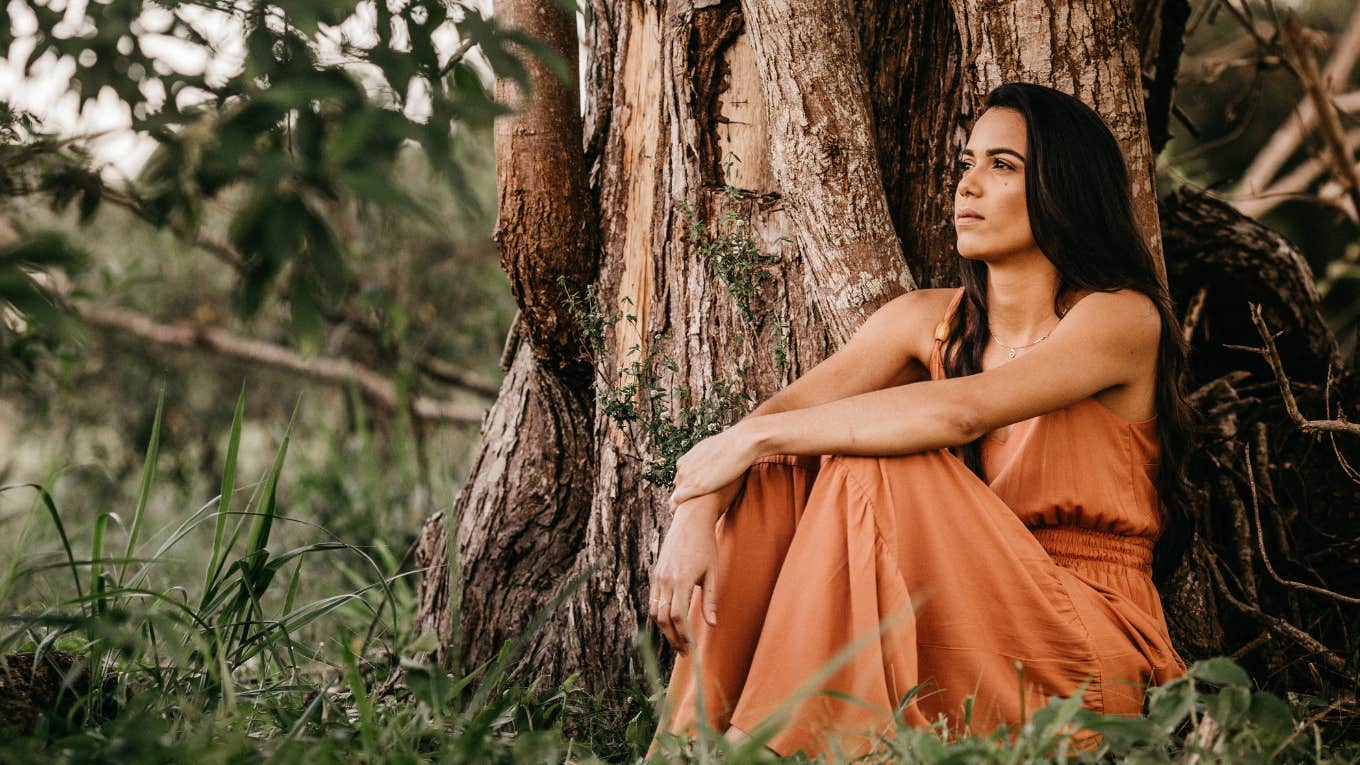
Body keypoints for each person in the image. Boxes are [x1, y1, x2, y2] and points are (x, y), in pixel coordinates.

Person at [644, 81, 1195, 760]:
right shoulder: (924, 319)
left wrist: (751, 437)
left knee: (863, 458)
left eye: (1002, 166)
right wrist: (699, 508)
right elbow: (780, 418)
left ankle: (769, 747)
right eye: (966, 163)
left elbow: (963, 411)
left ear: (1066, 187)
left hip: (1081, 641)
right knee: (779, 464)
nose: (968, 185)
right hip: (958, 608)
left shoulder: (1118, 316)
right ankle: (689, 745)